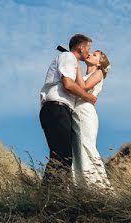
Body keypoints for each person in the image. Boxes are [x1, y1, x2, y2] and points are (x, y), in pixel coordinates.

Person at [39, 33, 98, 184]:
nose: (89, 52)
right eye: (88, 48)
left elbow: (79, 85)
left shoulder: (73, 62)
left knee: (63, 156)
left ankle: (50, 196)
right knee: (62, 156)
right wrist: (88, 97)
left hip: (60, 110)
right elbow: (68, 84)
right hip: (56, 108)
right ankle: (50, 196)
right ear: (81, 48)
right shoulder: (67, 57)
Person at [72, 50, 112, 189]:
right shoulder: (83, 75)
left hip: (85, 112)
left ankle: (98, 187)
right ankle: (80, 187)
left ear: (100, 63)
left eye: (95, 55)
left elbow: (84, 87)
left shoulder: (98, 73)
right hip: (76, 112)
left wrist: (76, 66)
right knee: (77, 150)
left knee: (87, 147)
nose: (90, 54)